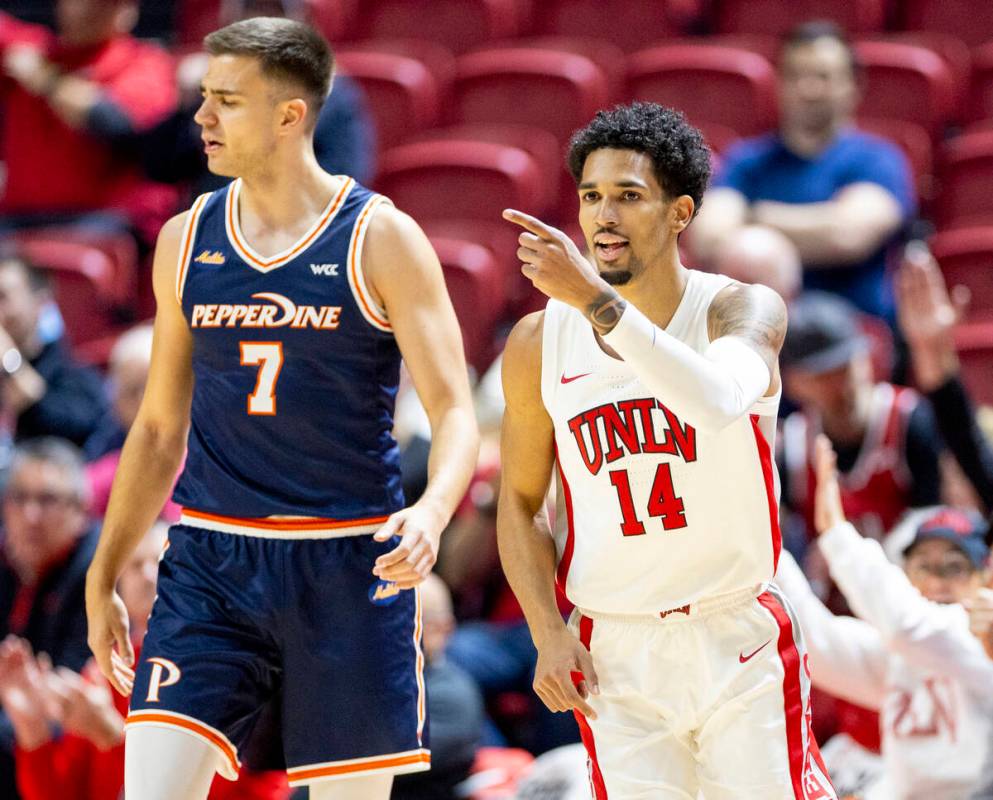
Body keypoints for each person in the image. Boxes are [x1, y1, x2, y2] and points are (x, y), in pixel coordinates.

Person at [84, 16, 478, 800]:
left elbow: (455, 412)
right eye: (203, 97)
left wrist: (432, 512)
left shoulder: (381, 238)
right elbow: (160, 429)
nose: (200, 118)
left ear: (290, 116)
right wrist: (104, 571)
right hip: (212, 561)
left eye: (225, 100)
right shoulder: (186, 240)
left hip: (346, 563)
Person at [498, 101, 836, 798]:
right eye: (591, 196)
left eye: (628, 196)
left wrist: (596, 303)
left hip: (733, 635)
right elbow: (523, 501)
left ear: (679, 213)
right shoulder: (538, 342)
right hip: (614, 648)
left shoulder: (738, 309)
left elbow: (715, 401)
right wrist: (545, 631)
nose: (602, 216)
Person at [0, 523, 291, 800]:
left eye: (164, 563)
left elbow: (226, 791)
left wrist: (114, 737)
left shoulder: (231, 667)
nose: (150, 575)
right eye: (136, 566)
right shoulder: (108, 673)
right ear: (117, 592)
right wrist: (32, 730)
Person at [775, 435, 993, 799]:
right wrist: (765, 541)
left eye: (954, 568)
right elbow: (815, 637)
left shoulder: (980, 645)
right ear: (904, 576)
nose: (936, 581)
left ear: (983, 580)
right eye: (922, 566)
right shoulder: (900, 654)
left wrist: (838, 536)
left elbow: (908, 625)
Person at [690, 20, 914, 323]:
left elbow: (847, 236)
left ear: (853, 85)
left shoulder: (878, 160)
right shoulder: (747, 161)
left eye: (823, 76)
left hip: (850, 327)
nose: (808, 89)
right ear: (779, 84)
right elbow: (709, 238)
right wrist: (815, 227)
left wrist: (754, 218)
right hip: (757, 323)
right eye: (796, 76)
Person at [0, 0, 179, 242]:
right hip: (17, 220)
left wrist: (46, 80)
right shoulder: (34, 49)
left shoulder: (143, 61)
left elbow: (115, 123)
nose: (98, 9)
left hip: (101, 222)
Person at [780, 291, 943, 546]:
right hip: (825, 585)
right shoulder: (793, 445)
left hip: (906, 579)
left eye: (845, 366)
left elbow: (940, 521)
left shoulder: (908, 418)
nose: (840, 384)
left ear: (867, 358)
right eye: (822, 375)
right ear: (794, 384)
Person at [0, 252, 109, 448]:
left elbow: (64, 432)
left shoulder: (74, 378)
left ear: (41, 301)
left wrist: (9, 361)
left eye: (2, 296)